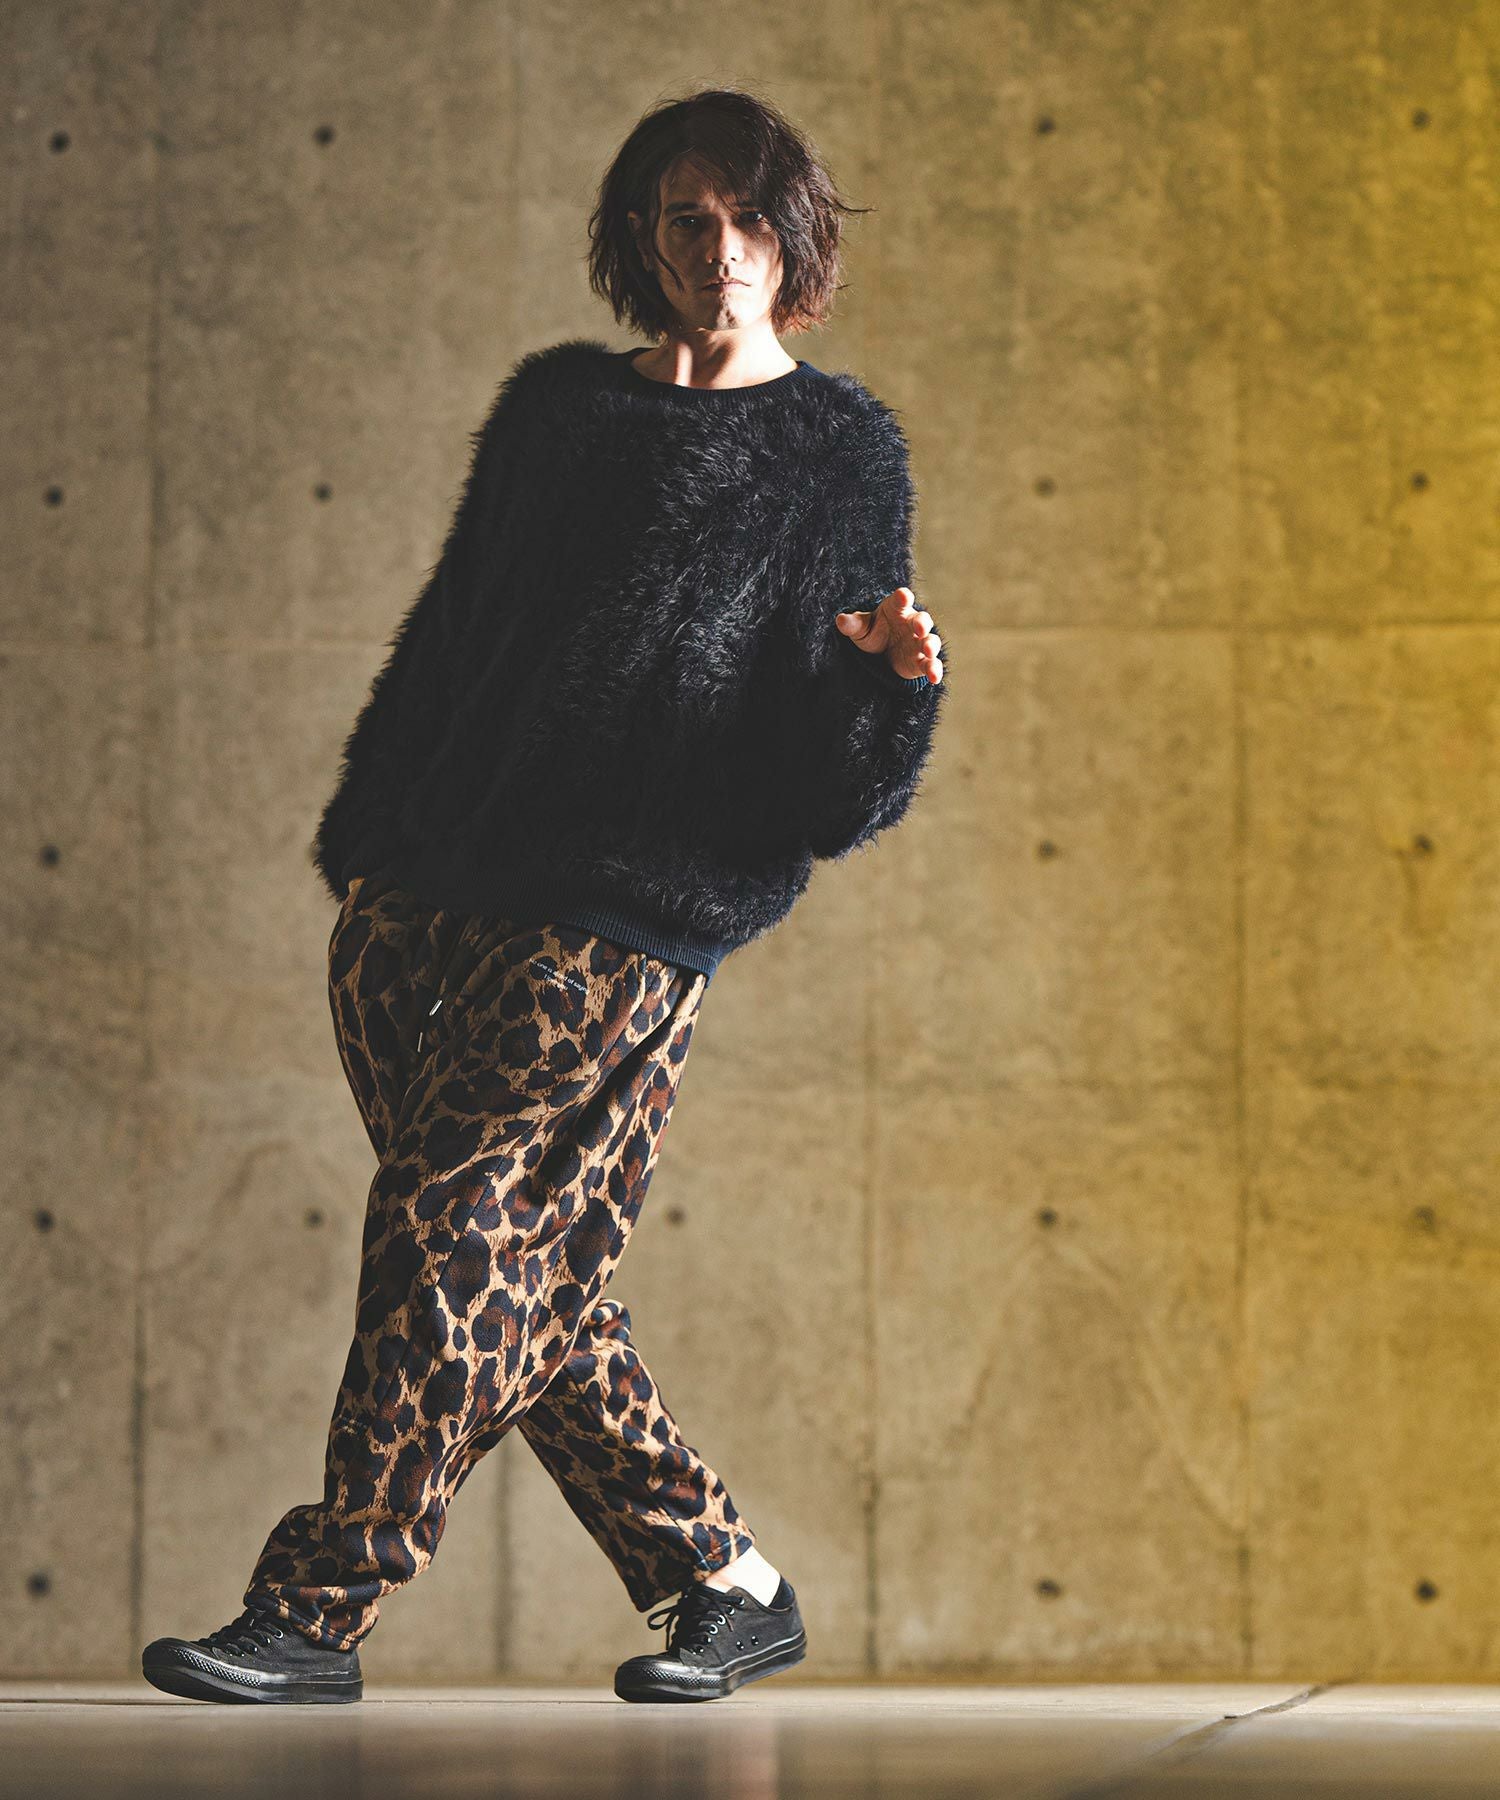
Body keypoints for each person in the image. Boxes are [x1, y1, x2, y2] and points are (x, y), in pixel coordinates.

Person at [141, 84, 948, 1707]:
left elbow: (831, 790)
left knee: (446, 1225)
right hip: (423, 884)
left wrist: (886, 696)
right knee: (516, 1263)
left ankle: (318, 1606)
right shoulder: (555, 411)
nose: (717, 246)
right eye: (685, 217)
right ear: (641, 237)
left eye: (747, 217)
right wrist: (374, 846)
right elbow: (453, 632)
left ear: (795, 236)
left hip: (627, 908)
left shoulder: (838, 453)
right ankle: (725, 1581)